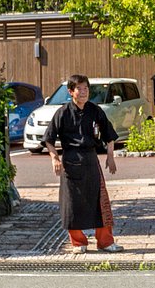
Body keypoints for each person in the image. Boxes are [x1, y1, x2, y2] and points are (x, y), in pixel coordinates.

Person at [45, 74, 124, 254]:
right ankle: (78, 242)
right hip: (70, 161)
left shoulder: (95, 110)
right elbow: (49, 138)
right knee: (72, 204)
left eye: (86, 88)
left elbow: (109, 134)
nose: (83, 92)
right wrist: (54, 158)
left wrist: (110, 156)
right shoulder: (63, 112)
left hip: (90, 159)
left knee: (100, 201)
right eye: (79, 89)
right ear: (71, 91)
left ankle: (105, 241)